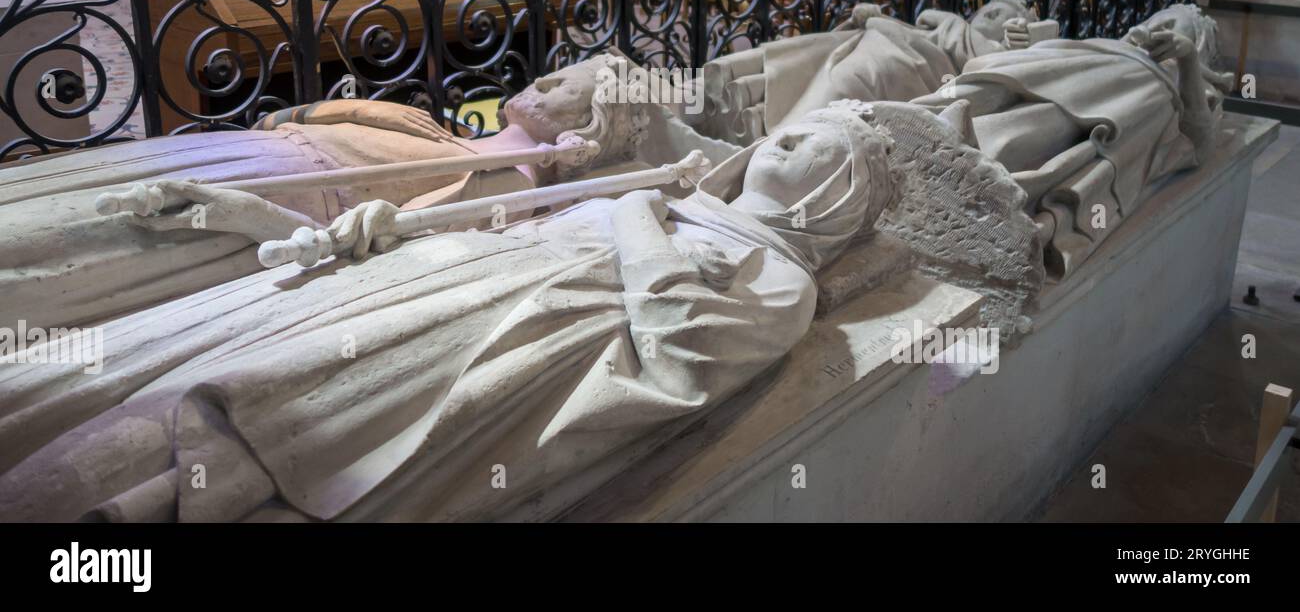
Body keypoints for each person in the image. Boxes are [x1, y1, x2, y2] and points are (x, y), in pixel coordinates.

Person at [0, 103, 896, 522]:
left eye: (818, 140)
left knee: (214, 440)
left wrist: (636, 220)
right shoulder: (674, 199)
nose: (790, 132)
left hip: (489, 342)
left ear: (840, 194)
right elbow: (483, 230)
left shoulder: (782, 276)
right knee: (129, 402)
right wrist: (370, 231)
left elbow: (686, 352)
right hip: (420, 285)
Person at [0, 55, 651, 330]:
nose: (548, 74)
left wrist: (250, 215)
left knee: (46, 245)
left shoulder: (505, 182)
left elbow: (365, 246)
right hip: (244, 155)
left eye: (569, 83)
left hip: (267, 195)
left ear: (585, 129)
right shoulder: (448, 134)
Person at [912, 4, 1230, 279]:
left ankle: (971, 165)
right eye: (1154, 20)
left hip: (1122, 99)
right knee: (1013, 80)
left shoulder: (1186, 82)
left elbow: (1200, 142)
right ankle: (926, 126)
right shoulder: (1106, 45)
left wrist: (1186, 59)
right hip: (1073, 71)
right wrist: (1028, 39)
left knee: (1048, 119)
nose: (1153, 27)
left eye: (1170, 26)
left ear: (1195, 43)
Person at [695, 0, 1041, 144]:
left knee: (842, 84)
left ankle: (776, 145)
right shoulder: (949, 24)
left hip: (909, 67)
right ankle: (744, 117)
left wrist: (1019, 42)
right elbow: (915, 27)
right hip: (881, 41)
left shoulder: (994, 52)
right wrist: (872, 17)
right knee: (814, 56)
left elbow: (994, 73)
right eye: (988, 8)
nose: (988, 14)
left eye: (1000, 14)